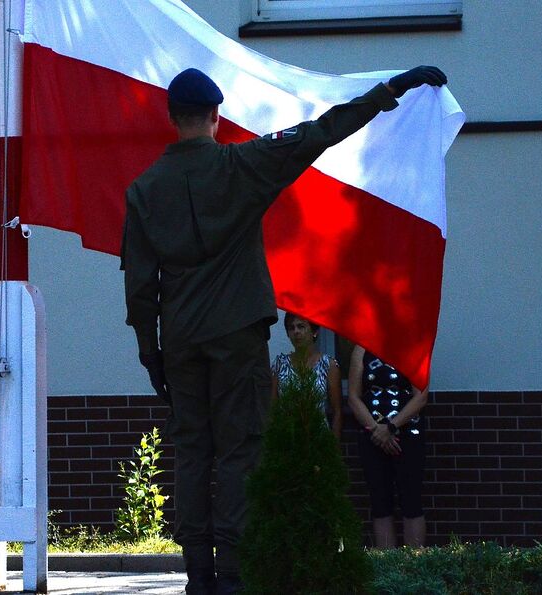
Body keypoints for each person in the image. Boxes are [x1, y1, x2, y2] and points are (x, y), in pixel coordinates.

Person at [121, 65, 447, 594]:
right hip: (236, 333)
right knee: (237, 450)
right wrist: (387, 92)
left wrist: (150, 353)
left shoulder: (143, 190)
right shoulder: (242, 165)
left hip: (178, 338)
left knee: (192, 452)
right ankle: (230, 574)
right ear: (215, 116)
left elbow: (139, 286)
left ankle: (197, 576)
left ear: (172, 119)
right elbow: (318, 134)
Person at [347, 345, 429, 548]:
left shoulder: (412, 345)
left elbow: (421, 395)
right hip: (372, 437)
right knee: (380, 502)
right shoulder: (361, 349)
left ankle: (415, 565)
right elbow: (354, 396)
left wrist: (391, 427)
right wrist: (376, 430)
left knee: (411, 500)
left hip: (407, 435)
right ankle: (387, 566)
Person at [270, 312, 343, 440]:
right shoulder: (280, 364)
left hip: (318, 439)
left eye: (301, 326)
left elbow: (337, 411)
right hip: (287, 439)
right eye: (291, 328)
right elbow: (273, 408)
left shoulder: (328, 365)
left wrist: (333, 448)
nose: (296, 332)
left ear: (314, 332)